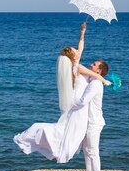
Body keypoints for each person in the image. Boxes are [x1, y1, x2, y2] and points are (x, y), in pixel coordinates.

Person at [13, 23, 110, 162]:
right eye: (74, 50)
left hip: (80, 107)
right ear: (73, 56)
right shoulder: (77, 66)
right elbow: (95, 75)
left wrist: (82, 32)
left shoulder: (74, 64)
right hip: (80, 107)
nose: (77, 50)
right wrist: (105, 81)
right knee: (69, 132)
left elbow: (81, 47)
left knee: (70, 132)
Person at [72, 59, 108, 171]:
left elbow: (83, 101)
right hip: (88, 121)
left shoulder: (96, 84)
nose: (91, 65)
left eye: (94, 65)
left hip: (94, 122)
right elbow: (78, 67)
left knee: (93, 151)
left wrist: (70, 103)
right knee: (87, 150)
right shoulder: (92, 80)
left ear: (98, 71)